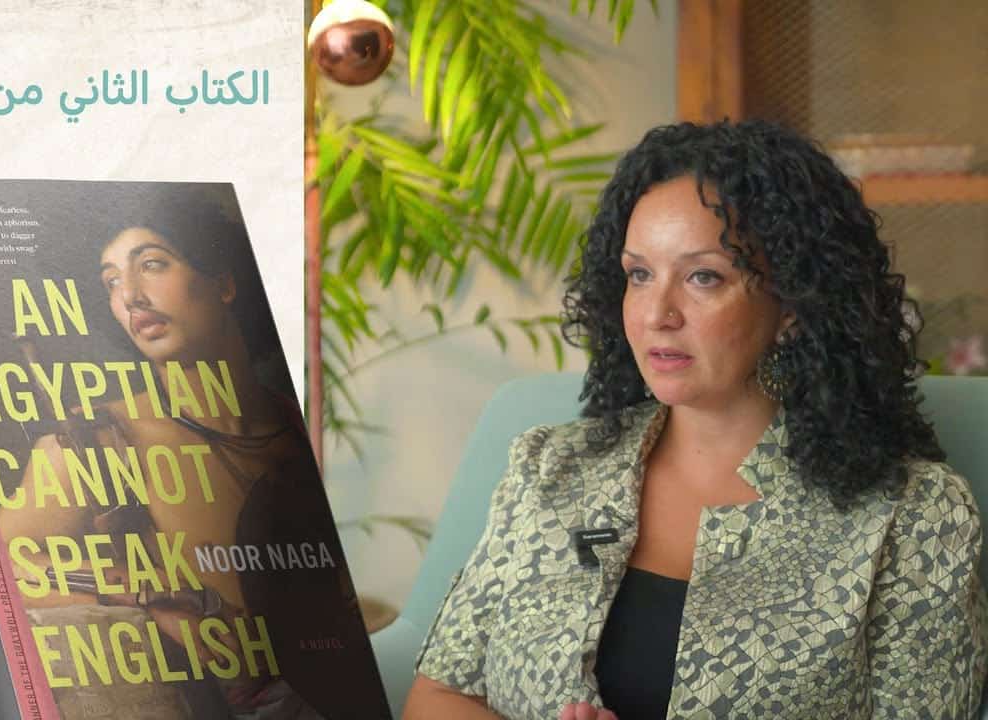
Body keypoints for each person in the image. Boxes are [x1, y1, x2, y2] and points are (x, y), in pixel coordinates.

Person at [403, 120, 988, 719]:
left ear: (792, 304)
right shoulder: (549, 466)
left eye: (703, 276)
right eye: (639, 274)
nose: (658, 313)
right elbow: (437, 696)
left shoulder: (914, 516)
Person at [0, 192, 381, 719]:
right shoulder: (98, 444)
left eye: (152, 264)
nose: (131, 296)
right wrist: (149, 595)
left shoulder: (301, 426)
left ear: (224, 283)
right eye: (111, 281)